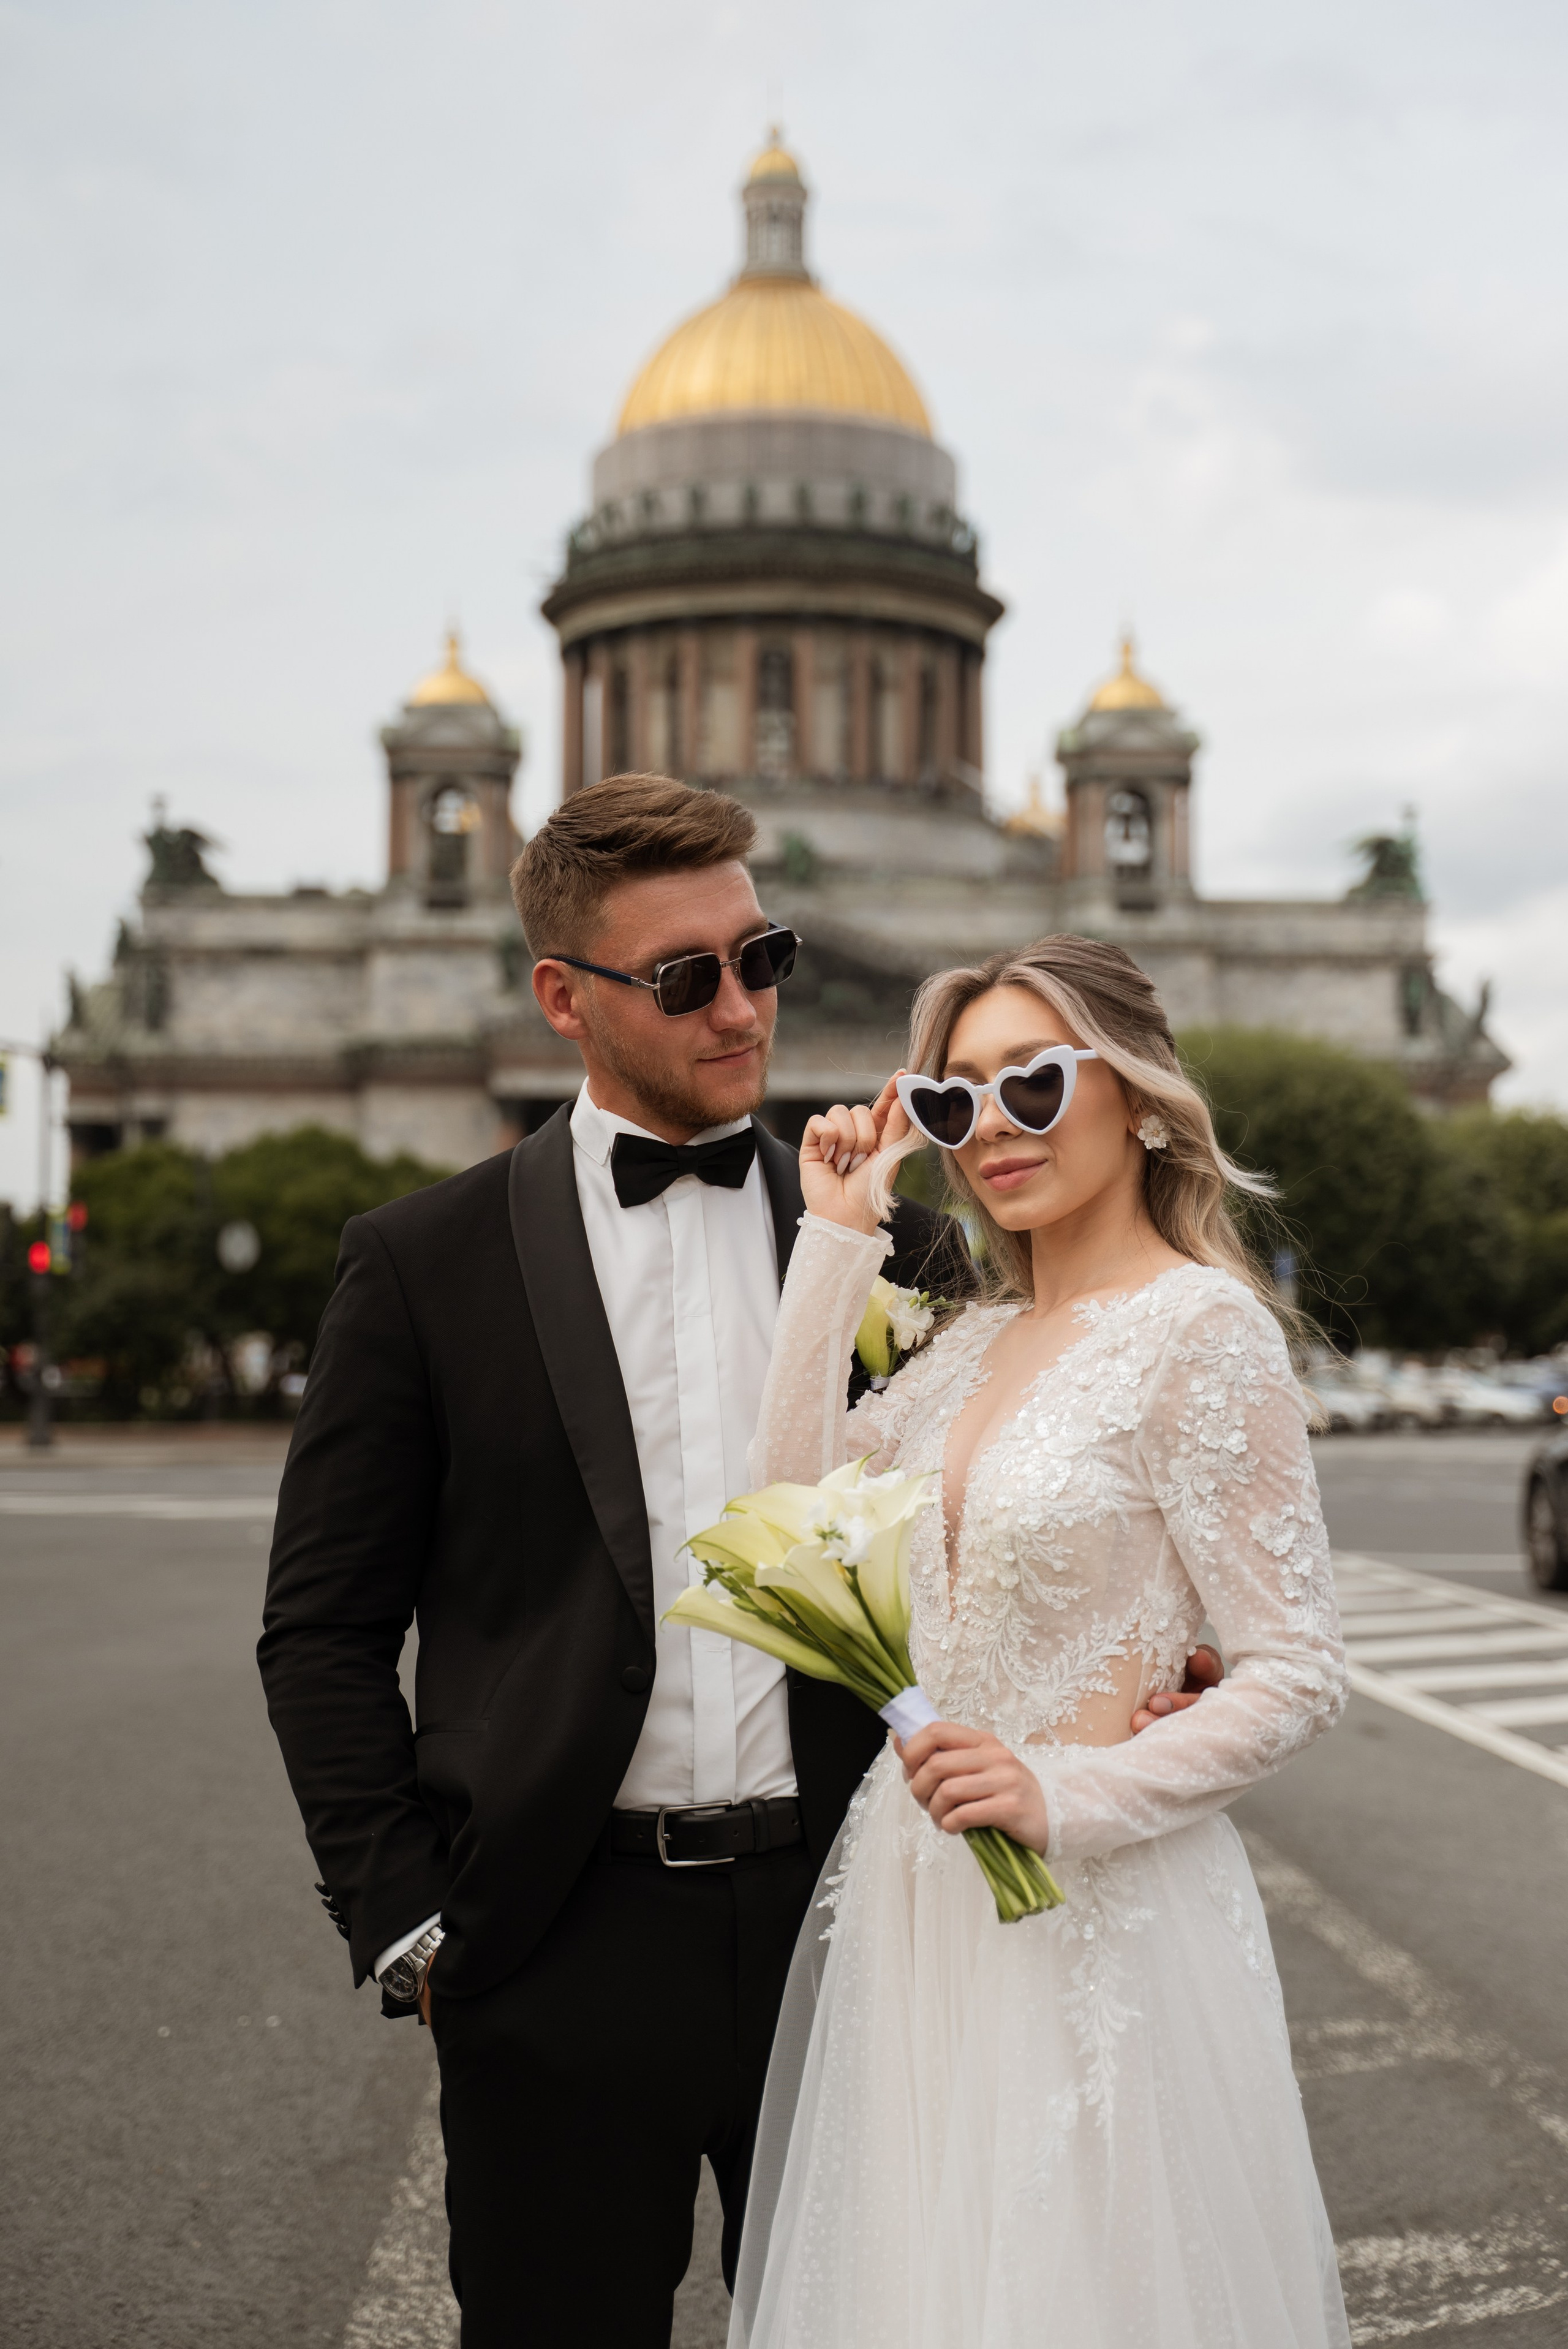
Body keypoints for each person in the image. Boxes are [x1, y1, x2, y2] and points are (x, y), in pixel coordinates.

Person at [257, 779, 1219, 2348]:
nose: (745, 1006)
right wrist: (407, 1918)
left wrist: (1158, 1667)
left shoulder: (898, 1246)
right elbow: (321, 1629)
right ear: (561, 997)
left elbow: (1029, 1512)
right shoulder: (420, 1264)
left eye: (760, 955)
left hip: (862, 1922)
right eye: (686, 976)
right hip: (557, 1944)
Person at [729, 936, 1351, 2349]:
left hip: (1096, 1907)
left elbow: (1295, 1668)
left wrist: (1061, 1796)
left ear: (1132, 1094)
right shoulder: (963, 1341)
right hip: (918, 1897)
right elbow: (792, 1521)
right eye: (951, 1100)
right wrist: (835, 1233)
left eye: (1032, 1079)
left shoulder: (1204, 1333)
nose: (989, 1127)